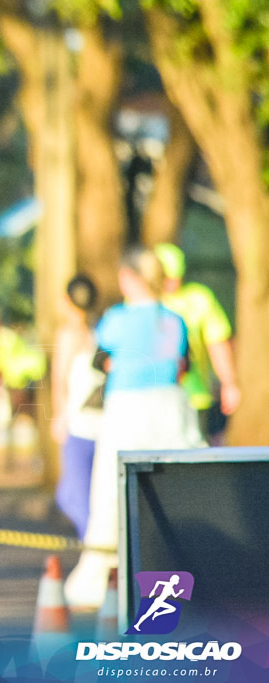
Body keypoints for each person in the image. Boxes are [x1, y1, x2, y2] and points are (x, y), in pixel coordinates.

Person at [65, 246, 204, 609]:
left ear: (129, 277)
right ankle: (180, 578)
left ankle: (102, 580)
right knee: (173, 491)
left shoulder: (115, 319)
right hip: (172, 408)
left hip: (127, 408)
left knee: (111, 492)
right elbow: (184, 365)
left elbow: (100, 362)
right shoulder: (175, 319)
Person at [154, 243, 240, 443]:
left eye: (176, 277)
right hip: (155, 397)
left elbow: (217, 342)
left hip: (194, 397)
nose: (172, 283)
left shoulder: (198, 298)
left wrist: (229, 382)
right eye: (167, 277)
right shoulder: (143, 302)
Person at [50, 274, 104, 540]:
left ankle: (92, 552)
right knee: (89, 493)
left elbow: (60, 378)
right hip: (101, 421)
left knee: (75, 496)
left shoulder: (68, 335)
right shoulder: (100, 331)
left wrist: (59, 416)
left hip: (78, 423)